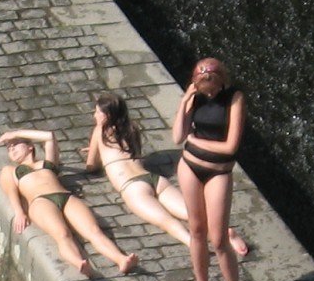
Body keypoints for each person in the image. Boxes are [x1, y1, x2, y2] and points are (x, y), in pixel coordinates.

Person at [87, 93, 252, 258]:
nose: (94, 115)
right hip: (154, 179)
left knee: (166, 221)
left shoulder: (99, 131)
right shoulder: (132, 129)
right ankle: (226, 233)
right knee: (192, 214)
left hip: (132, 186)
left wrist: (97, 153)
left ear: (106, 116)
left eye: (97, 112)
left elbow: (91, 165)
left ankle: (192, 243)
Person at [0, 128, 138, 277]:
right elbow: (11, 192)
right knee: (62, 234)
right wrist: (19, 212)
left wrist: (15, 134)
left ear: (30, 146)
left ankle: (121, 259)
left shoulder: (48, 163)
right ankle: (80, 263)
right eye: (9, 148)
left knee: (94, 231)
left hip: (66, 197)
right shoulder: (10, 171)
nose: (11, 149)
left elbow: (49, 136)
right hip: (40, 201)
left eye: (16, 144)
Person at [174, 58, 247, 281]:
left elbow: (230, 147)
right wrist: (185, 103)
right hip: (190, 167)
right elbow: (177, 136)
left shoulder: (234, 98)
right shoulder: (194, 97)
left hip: (218, 172)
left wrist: (195, 140)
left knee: (218, 240)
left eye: (213, 87)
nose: (210, 93)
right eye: (205, 88)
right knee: (196, 231)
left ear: (221, 81)